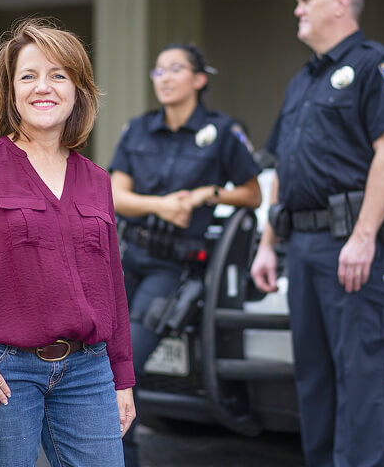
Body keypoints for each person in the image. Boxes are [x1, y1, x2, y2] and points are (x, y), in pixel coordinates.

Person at [0, 17, 135, 467]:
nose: (43, 87)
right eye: (28, 76)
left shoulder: (97, 180)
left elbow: (112, 287)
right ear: (10, 90)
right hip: (1, 369)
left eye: (58, 76)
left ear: (78, 90)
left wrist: (122, 376)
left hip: (88, 371)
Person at [250, 0, 384, 467]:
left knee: (359, 377)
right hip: (302, 246)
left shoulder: (377, 65)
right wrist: (267, 243)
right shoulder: (304, 80)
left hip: (351, 247)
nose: (297, 9)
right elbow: (283, 166)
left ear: (341, 3)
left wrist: (363, 237)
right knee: (314, 380)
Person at [108, 43, 262, 466]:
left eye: (175, 69)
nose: (165, 78)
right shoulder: (138, 129)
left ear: (199, 79)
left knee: (123, 365)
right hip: (124, 259)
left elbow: (252, 193)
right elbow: (114, 195)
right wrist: (160, 206)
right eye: (158, 71)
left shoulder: (223, 131)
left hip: (171, 268)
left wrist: (207, 194)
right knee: (101, 363)